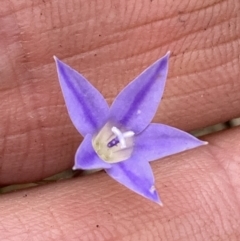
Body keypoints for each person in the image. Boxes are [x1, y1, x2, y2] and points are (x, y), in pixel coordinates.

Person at [0, 0, 239, 240]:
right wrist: (83, 162)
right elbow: (83, 146)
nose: (113, 141)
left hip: (118, 157)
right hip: (103, 152)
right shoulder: (88, 150)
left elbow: (99, 161)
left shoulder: (106, 153)